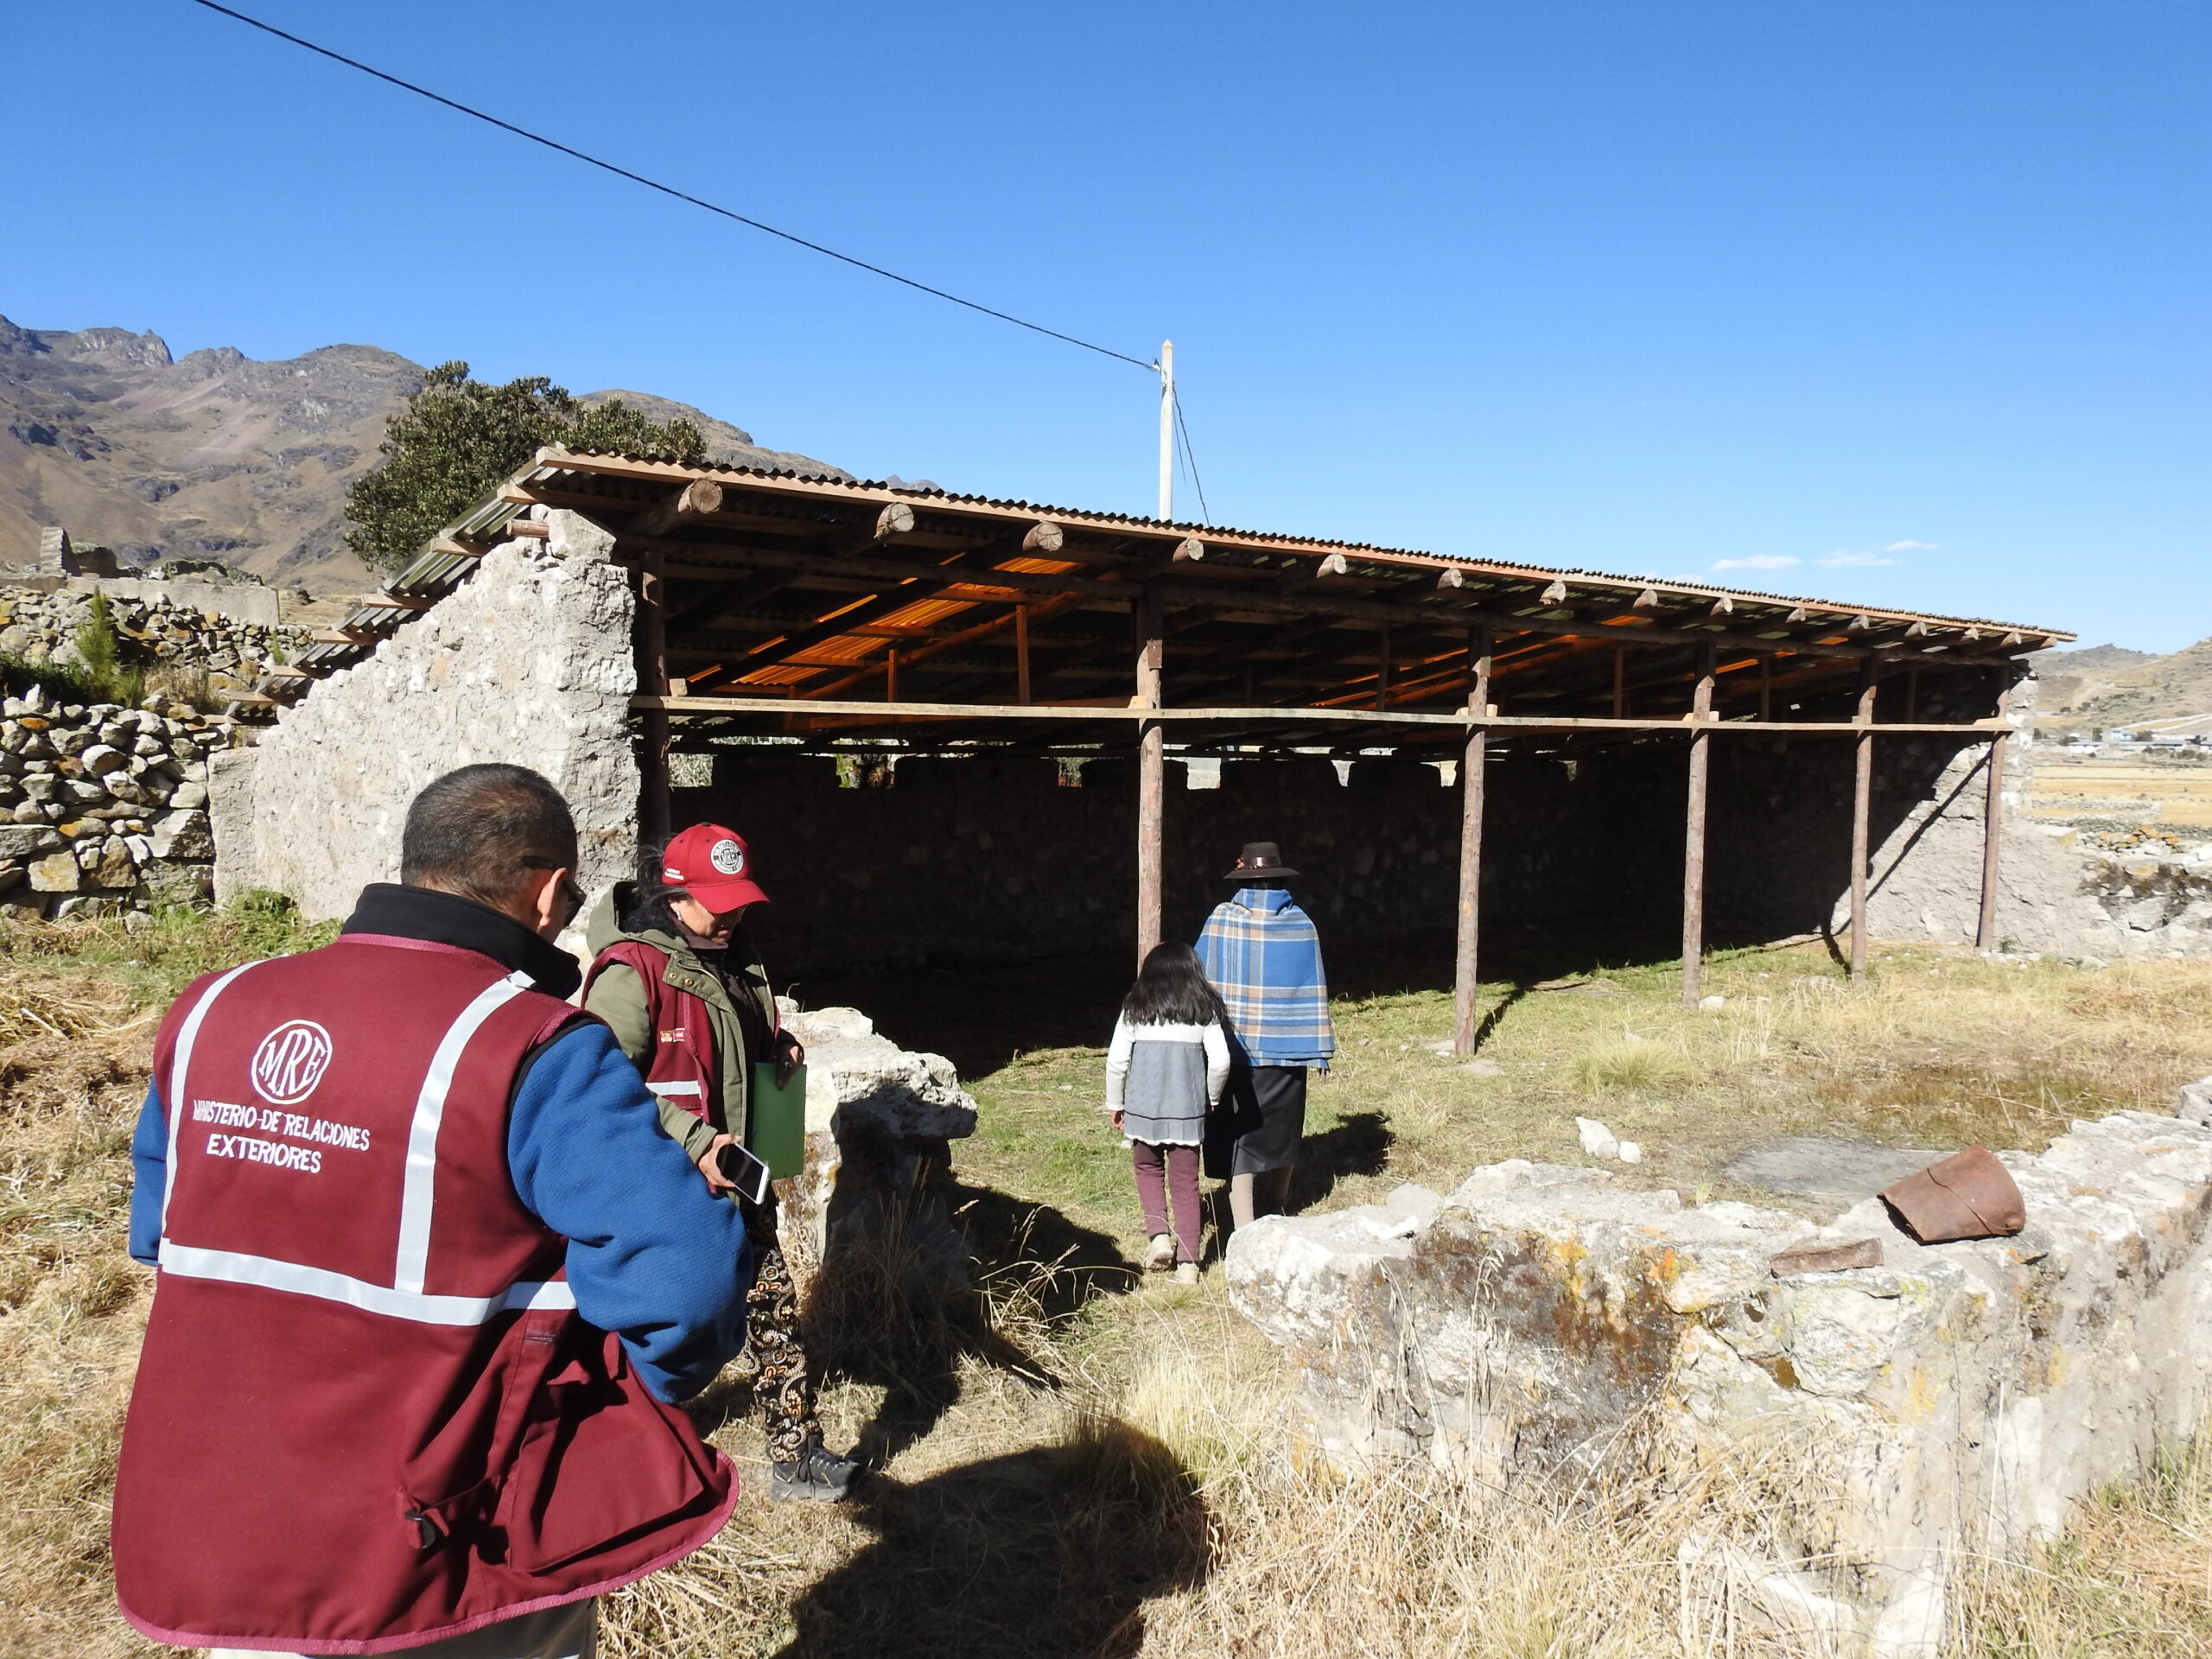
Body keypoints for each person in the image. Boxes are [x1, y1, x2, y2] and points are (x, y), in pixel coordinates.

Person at [112, 764, 756, 1659]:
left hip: (232, 1519)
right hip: (444, 1536)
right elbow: (683, 1272)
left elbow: (163, 1232)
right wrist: (636, 1386)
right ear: (549, 894)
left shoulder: (210, 1008)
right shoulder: (532, 1045)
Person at [581, 822, 860, 1504]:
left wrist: (777, 1047)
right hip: (666, 1190)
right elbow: (597, 1086)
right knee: (666, 1329)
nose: (732, 916)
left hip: (740, 1177)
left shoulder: (736, 961)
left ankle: (797, 1457)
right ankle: (626, 1467)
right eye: (717, 903)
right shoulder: (632, 973)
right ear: (674, 898)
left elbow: (728, 1046)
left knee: (774, 1311)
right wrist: (693, 1139)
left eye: (740, 902)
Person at [1196, 841, 1336, 1230]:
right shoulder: (1301, 924)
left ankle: (1244, 1228)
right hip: (1288, 1049)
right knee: (1283, 1129)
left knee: (1240, 1138)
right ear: (1280, 879)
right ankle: (1279, 1201)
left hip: (1234, 1050)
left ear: (1241, 879)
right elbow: (1311, 988)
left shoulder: (1222, 919)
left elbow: (1200, 977)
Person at [1104, 942, 1233, 1284]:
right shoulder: (1203, 1010)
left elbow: (1116, 1061)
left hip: (1143, 1110)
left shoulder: (1135, 1008)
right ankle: (1189, 1265)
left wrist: (1115, 1103)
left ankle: (1159, 1236)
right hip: (1187, 1113)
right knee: (1186, 1184)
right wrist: (1212, 1096)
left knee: (1148, 1170)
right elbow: (1221, 1061)